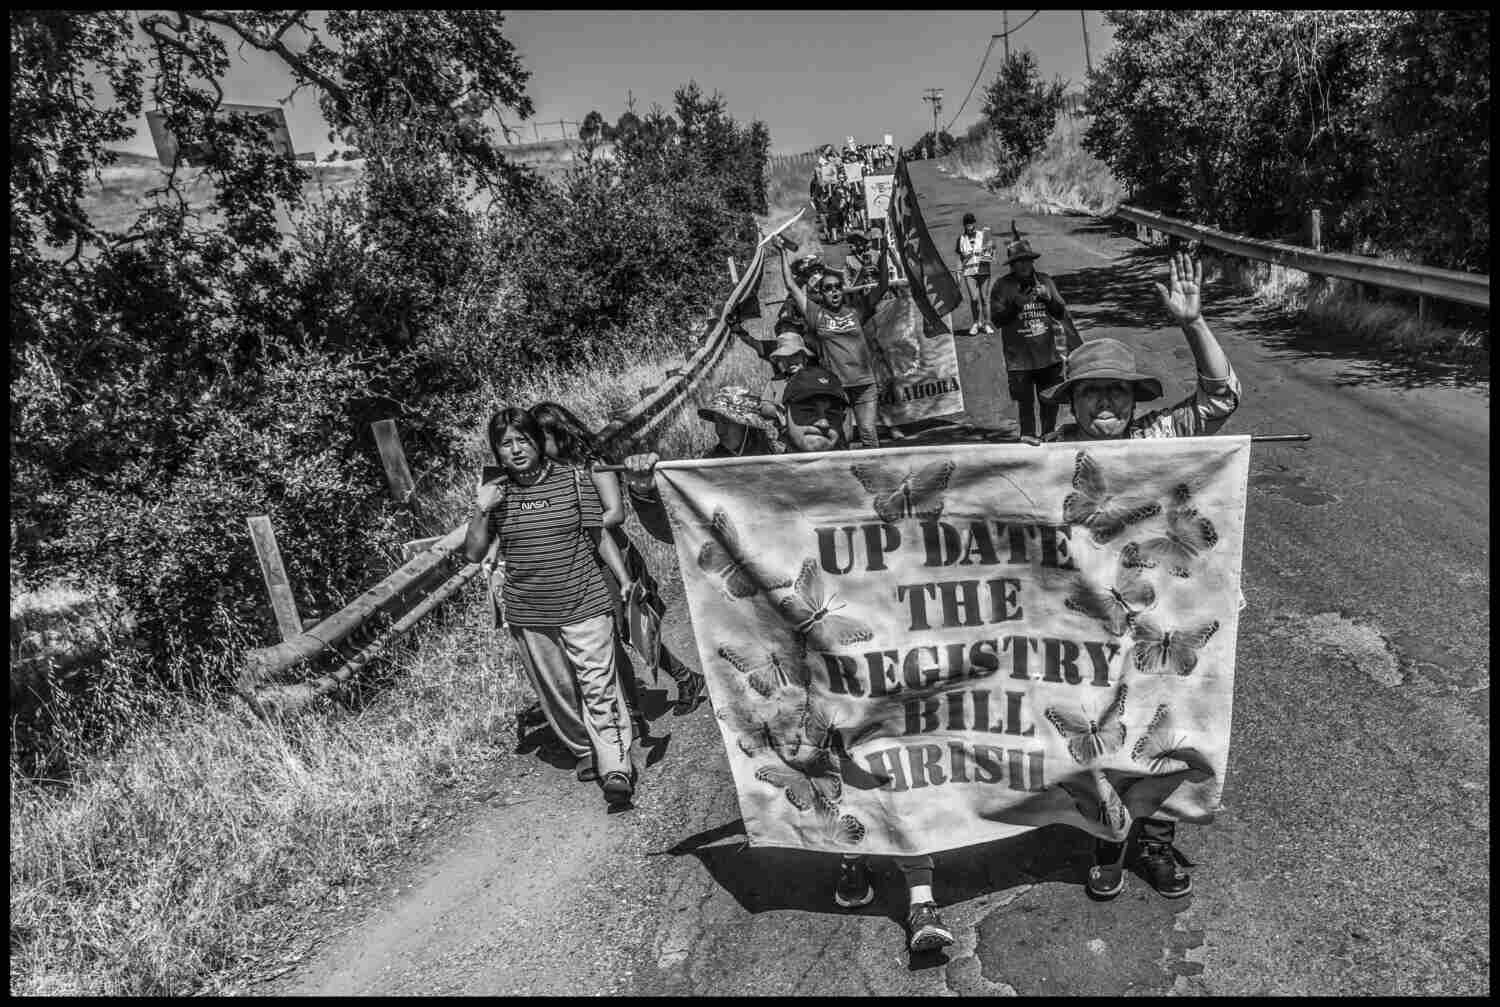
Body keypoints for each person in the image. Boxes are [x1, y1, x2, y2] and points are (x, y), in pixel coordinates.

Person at [619, 367, 955, 955]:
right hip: (798, 664)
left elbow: (954, 510)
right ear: (787, 419)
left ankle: (922, 899)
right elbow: (681, 528)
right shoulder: (750, 481)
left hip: (876, 657)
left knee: (891, 768)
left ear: (846, 417)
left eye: (831, 411)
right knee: (823, 764)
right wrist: (648, 491)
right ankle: (850, 853)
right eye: (806, 413)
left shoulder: (867, 473)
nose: (820, 422)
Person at [1037, 249, 1242, 899]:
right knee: (1105, 724)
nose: (1104, 400)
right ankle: (1107, 839)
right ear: (1072, 400)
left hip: (1163, 616)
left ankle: (1153, 844)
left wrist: (1194, 321)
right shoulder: (1051, 462)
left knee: (1165, 725)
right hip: (1089, 625)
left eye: (1115, 389)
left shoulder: (1163, 438)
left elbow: (1222, 397)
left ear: (1132, 398)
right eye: (1090, 389)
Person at [465, 407, 636, 807]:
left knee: (598, 685)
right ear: (496, 452)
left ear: (537, 442)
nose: (516, 450)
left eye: (522, 440)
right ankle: (584, 749)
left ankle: (616, 766)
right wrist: (481, 508)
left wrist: (624, 579)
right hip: (530, 611)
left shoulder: (573, 480)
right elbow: (474, 553)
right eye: (505, 444)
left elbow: (598, 535)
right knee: (559, 691)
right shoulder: (496, 493)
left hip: (585, 600)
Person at [531, 403, 705, 728]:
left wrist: (574, 525)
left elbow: (615, 513)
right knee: (608, 636)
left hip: (612, 559)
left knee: (630, 629)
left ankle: (680, 682)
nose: (536, 447)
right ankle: (635, 708)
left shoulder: (592, 466)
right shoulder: (550, 473)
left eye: (541, 438)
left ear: (559, 434)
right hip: (581, 561)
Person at [779, 238, 891, 450]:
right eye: (828, 288)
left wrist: (884, 252)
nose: (834, 291)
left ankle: (877, 476)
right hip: (837, 388)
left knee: (868, 432)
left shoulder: (856, 312)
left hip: (865, 384)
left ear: (843, 289)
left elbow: (883, 285)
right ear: (821, 293)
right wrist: (782, 253)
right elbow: (791, 287)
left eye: (838, 287)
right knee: (843, 437)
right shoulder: (816, 315)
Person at [989, 232, 1082, 438]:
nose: (1023, 265)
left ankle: (1048, 438)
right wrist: (1015, 306)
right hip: (1019, 360)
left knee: (1049, 403)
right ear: (1011, 264)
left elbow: (1060, 313)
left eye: (1026, 260)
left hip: (1049, 356)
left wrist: (1048, 299)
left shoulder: (1045, 281)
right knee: (1025, 407)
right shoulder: (1002, 286)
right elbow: (996, 321)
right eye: (1017, 261)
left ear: (1032, 261)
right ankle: (1029, 442)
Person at [696, 385, 779, 459]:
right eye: (717, 422)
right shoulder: (710, 464)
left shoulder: (777, 457)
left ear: (747, 426)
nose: (719, 430)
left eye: (726, 422)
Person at [955, 212, 995, 335]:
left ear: (974, 223)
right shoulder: (961, 239)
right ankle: (976, 323)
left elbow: (992, 251)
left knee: (984, 298)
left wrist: (991, 248)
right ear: (964, 225)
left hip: (983, 271)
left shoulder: (983, 235)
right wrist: (958, 271)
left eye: (971, 223)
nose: (969, 225)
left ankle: (987, 323)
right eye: (967, 223)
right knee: (974, 298)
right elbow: (960, 258)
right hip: (969, 272)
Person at [759, 330, 814, 406]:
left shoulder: (818, 378)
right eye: (785, 357)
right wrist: (781, 413)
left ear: (804, 357)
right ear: (780, 360)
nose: (790, 361)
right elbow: (764, 405)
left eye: (795, 355)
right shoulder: (775, 382)